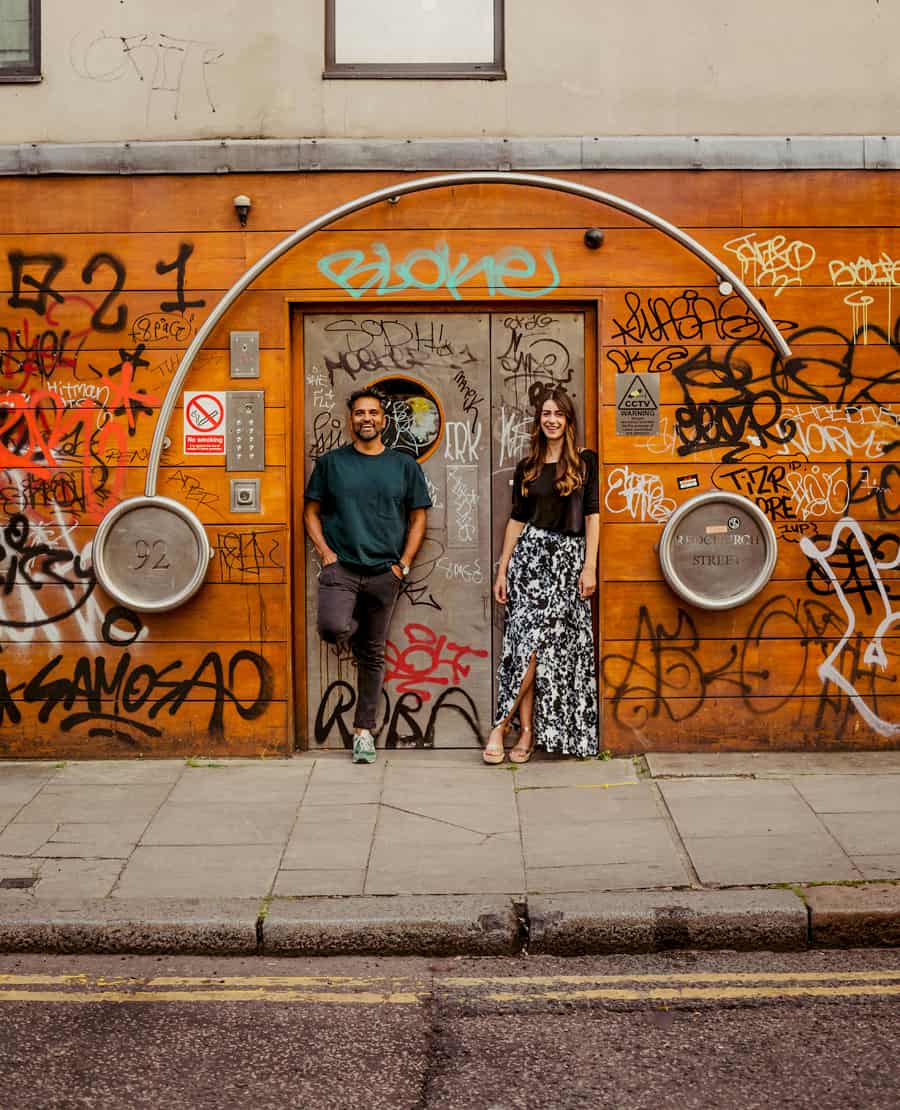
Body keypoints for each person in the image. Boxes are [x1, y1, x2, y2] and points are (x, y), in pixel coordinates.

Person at [304, 388, 431, 764]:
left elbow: (418, 516)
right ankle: (351, 621)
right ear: (351, 420)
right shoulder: (331, 464)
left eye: (373, 413)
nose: (366, 419)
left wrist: (403, 564)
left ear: (383, 420)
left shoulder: (404, 466)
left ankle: (363, 732)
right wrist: (326, 554)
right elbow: (310, 512)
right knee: (332, 627)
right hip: (341, 568)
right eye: (360, 413)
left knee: (372, 656)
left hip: (384, 573)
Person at [483, 386, 600, 764]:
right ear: (539, 421)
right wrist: (502, 570)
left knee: (543, 650)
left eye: (558, 414)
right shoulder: (527, 466)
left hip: (567, 563)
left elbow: (593, 516)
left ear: (568, 420)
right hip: (530, 562)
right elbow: (517, 520)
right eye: (545, 414)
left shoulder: (585, 462)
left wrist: (590, 566)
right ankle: (521, 731)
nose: (551, 420)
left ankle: (507, 726)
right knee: (525, 648)